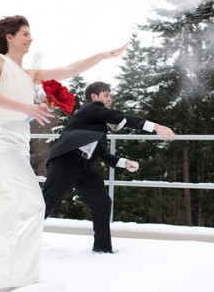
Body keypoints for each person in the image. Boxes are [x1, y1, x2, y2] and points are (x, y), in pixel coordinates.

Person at [0, 15, 127, 290]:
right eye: (26, 34)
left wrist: (101, 56)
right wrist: (27, 108)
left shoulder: (30, 74)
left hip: (19, 143)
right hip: (0, 139)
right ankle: (19, 275)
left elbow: (69, 69)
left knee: (11, 205)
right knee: (33, 203)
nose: (31, 39)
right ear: (10, 37)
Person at [42, 81, 176, 253]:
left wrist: (124, 162)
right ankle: (18, 240)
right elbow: (120, 117)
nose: (109, 99)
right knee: (47, 202)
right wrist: (155, 127)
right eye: (106, 95)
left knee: (102, 201)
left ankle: (102, 249)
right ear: (94, 96)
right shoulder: (92, 108)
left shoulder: (95, 124)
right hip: (65, 160)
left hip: (83, 165)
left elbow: (101, 154)